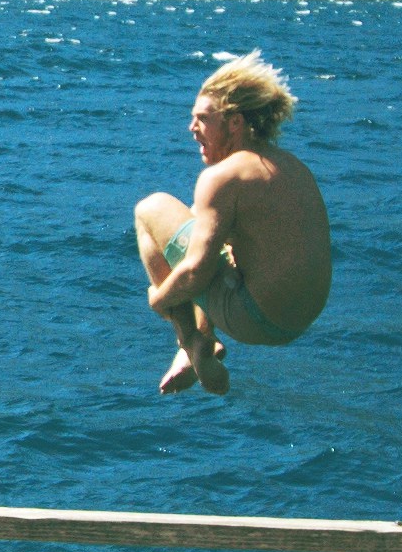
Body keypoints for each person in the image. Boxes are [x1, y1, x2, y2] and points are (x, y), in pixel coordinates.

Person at [132, 52, 330, 395]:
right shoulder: (292, 166)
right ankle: (204, 340)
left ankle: (190, 343)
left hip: (257, 319)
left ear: (235, 123)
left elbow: (195, 271)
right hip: (299, 322)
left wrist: (159, 301)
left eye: (203, 119)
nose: (192, 129)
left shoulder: (223, 176)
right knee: (204, 222)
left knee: (150, 209)